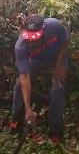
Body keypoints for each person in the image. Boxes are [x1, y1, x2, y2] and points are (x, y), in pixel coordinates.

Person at [10, 15, 69, 145]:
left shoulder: (54, 26)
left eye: (35, 38)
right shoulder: (20, 47)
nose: (31, 42)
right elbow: (25, 77)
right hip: (36, 60)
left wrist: (59, 65)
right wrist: (28, 108)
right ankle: (17, 120)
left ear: (43, 30)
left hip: (57, 58)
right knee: (19, 86)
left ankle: (55, 131)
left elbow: (65, 42)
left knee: (57, 90)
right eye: (29, 38)